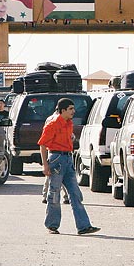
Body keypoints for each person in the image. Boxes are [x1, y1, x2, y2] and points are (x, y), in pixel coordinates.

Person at [38, 98, 99, 235]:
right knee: (54, 194)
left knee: (75, 194)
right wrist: (45, 165)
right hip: (56, 159)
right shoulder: (52, 124)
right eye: (70, 109)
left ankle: (83, 226)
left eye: (73, 108)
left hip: (68, 159)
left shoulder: (68, 123)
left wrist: (70, 139)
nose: (73, 111)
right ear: (63, 110)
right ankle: (52, 225)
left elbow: (68, 138)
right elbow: (42, 144)